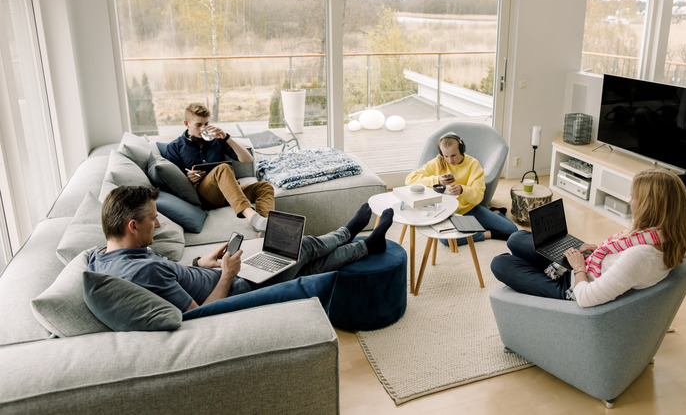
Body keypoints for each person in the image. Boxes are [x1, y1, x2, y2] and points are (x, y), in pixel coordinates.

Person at [88, 185, 394, 312]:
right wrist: (226, 274)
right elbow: (200, 314)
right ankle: (352, 234)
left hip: (222, 274)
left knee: (306, 264)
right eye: (153, 220)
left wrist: (200, 263)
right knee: (302, 249)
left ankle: (365, 244)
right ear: (132, 226)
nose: (157, 225)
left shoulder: (101, 257)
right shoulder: (143, 270)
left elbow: (177, 278)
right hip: (239, 287)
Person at [491, 168, 686, 307]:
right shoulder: (665, 237)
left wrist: (578, 267)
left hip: (573, 287)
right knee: (516, 238)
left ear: (650, 206)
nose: (630, 202)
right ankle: (543, 269)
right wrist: (597, 253)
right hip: (590, 266)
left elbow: (586, 298)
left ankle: (544, 273)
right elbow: (621, 266)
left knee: (501, 263)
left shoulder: (641, 256)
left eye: (633, 197)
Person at [164, 103, 273, 232]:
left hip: (230, 192)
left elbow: (248, 159)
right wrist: (188, 178)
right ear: (186, 124)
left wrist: (226, 138)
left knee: (265, 187)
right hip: (204, 195)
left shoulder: (217, 140)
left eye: (206, 124)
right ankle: (250, 215)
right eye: (198, 125)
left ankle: (264, 229)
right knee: (223, 168)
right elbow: (173, 181)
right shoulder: (175, 147)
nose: (203, 128)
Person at [405, 131, 518, 246]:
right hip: (447, 213)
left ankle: (496, 213)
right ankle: (487, 234)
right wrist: (437, 179)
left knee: (512, 230)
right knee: (446, 240)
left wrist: (462, 190)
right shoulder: (438, 162)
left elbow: (478, 196)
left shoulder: (473, 164)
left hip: (469, 209)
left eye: (454, 155)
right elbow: (410, 179)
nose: (450, 160)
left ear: (462, 149)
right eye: (446, 156)